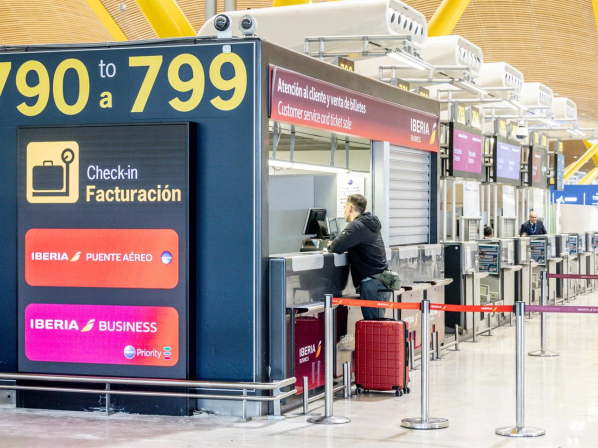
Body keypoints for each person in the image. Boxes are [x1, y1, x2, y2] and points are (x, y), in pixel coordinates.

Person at [327, 194, 389, 320]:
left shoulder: (356, 226)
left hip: (371, 284)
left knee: (373, 326)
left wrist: (330, 244)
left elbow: (336, 247)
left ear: (350, 208)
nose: (344, 210)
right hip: (381, 280)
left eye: (345, 207)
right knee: (377, 324)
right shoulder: (370, 224)